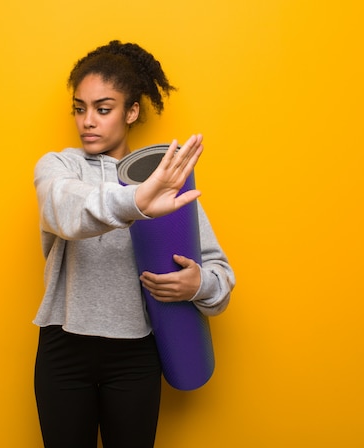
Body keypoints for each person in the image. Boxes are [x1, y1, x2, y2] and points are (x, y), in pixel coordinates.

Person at [32, 40, 235, 448]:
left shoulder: (165, 179)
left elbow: (221, 280)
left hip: (135, 354)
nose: (88, 121)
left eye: (103, 109)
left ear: (131, 111)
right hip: (64, 349)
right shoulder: (59, 167)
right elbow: (68, 211)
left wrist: (197, 286)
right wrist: (138, 201)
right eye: (79, 108)